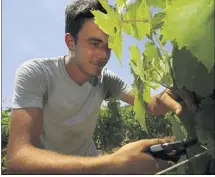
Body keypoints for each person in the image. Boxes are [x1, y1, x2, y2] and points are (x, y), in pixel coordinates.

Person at [6, 0, 182, 174]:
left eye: (109, 46)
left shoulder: (106, 80)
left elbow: (150, 105)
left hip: (93, 167)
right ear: (70, 42)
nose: (104, 55)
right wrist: (113, 164)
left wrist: (173, 95)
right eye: (95, 43)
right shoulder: (37, 73)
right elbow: (19, 157)